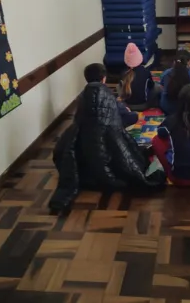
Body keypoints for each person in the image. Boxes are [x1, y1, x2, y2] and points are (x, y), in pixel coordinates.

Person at [48, 70, 166, 211]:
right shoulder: (111, 112)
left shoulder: (78, 113)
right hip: (109, 158)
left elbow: (64, 152)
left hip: (86, 167)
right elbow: (121, 138)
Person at [84, 63, 138, 128]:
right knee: (133, 115)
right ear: (104, 79)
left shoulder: (83, 95)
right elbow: (119, 109)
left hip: (91, 128)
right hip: (109, 128)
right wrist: (126, 110)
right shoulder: (107, 93)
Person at [118, 43, 161, 111]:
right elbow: (152, 86)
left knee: (119, 86)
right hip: (144, 105)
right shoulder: (145, 71)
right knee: (157, 87)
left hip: (128, 105)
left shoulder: (123, 73)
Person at [160, 50, 190, 115]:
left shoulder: (166, 73)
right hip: (185, 109)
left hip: (167, 107)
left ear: (174, 62)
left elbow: (162, 87)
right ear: (189, 62)